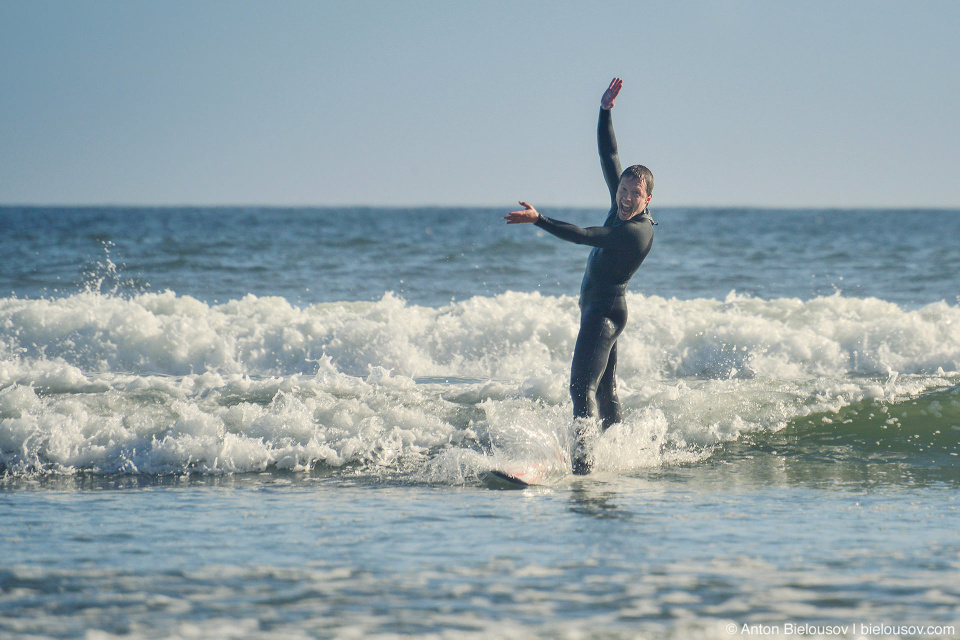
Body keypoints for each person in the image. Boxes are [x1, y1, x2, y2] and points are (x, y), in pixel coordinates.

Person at [504, 77, 656, 474]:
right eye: (622, 190)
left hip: (605, 313)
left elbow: (585, 235)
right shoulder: (623, 206)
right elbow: (610, 156)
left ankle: (583, 468)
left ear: (647, 200)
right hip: (602, 309)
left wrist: (539, 219)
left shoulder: (635, 232)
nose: (624, 198)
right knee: (604, 393)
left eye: (633, 195)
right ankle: (624, 459)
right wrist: (604, 111)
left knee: (580, 389)